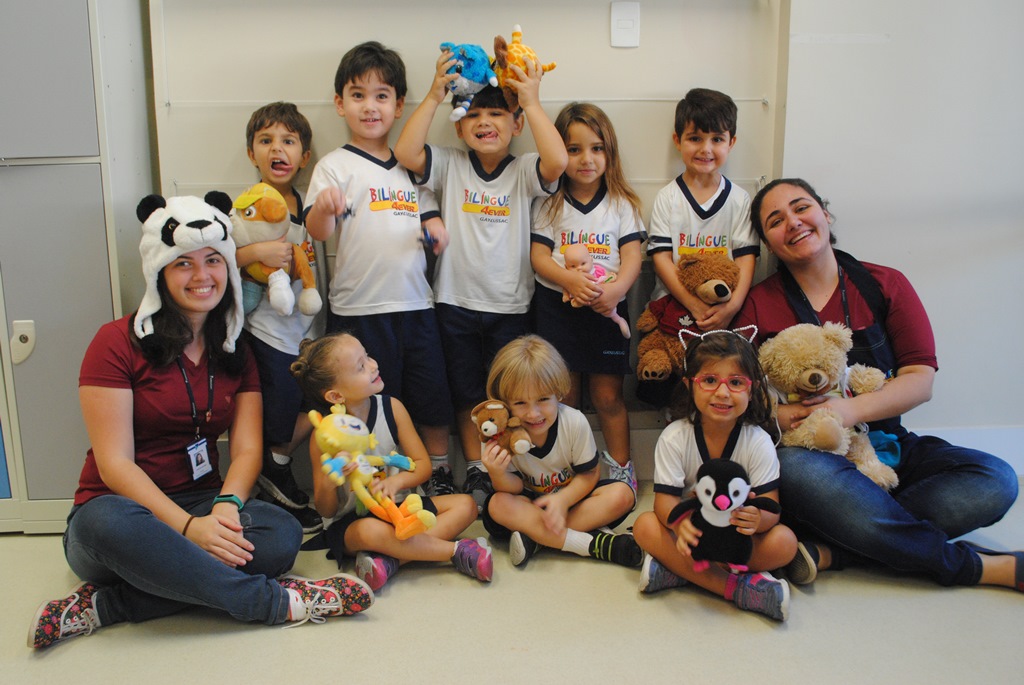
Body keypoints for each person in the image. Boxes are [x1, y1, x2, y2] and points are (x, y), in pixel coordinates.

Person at [29, 194, 372, 650]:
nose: (202, 276)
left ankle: (108, 606)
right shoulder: (114, 342)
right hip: (122, 512)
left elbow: (246, 450)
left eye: (213, 260)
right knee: (104, 524)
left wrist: (226, 505)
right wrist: (189, 529)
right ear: (159, 271)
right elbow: (114, 465)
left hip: (202, 500)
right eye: (183, 264)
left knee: (282, 534)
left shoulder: (234, 347)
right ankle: (273, 601)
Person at [732, 177, 1021, 591]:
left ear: (825, 213)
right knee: (796, 470)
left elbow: (920, 380)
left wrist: (849, 410)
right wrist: (780, 414)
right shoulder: (759, 303)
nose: (793, 222)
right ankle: (971, 567)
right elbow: (739, 394)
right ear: (768, 244)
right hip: (812, 456)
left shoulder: (885, 283)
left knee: (996, 480)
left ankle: (840, 548)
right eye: (775, 221)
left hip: (886, 447)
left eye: (801, 207)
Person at [394, 47, 568, 511]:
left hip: (510, 308)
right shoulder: (451, 163)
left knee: (508, 395)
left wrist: (530, 101)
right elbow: (406, 152)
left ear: (516, 125)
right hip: (454, 303)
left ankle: (505, 467)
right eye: (473, 114)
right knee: (466, 391)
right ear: (458, 125)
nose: (484, 122)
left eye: (497, 114)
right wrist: (435, 93)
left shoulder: (524, 169)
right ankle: (475, 465)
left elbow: (557, 162)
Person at [303, 42, 455, 501]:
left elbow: (430, 216)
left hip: (415, 304)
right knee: (366, 402)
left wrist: (436, 231)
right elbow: (318, 231)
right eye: (358, 95)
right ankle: (368, 477)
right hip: (359, 311)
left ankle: (439, 470)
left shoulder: (412, 165)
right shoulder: (333, 167)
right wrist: (325, 209)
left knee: (430, 396)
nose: (370, 106)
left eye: (381, 96)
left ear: (398, 105)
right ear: (340, 103)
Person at [290, 332, 491, 592]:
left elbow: (422, 465)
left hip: (401, 508)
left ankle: (392, 560)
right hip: (354, 522)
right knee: (369, 532)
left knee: (466, 505)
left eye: (367, 356)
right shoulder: (325, 437)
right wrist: (331, 481)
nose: (373, 365)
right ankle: (454, 551)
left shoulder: (391, 407)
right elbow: (326, 510)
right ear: (335, 396)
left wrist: (397, 482)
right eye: (361, 366)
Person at [632, 331, 797, 621]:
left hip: (735, 538)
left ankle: (681, 572)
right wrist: (681, 524)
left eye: (736, 382)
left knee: (785, 542)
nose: (722, 393)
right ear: (689, 385)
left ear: (752, 389)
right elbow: (664, 503)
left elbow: (772, 507)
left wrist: (758, 520)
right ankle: (738, 588)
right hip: (694, 537)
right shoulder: (674, 437)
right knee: (644, 526)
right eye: (709, 380)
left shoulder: (757, 441)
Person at [530, 102, 645, 495]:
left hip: (607, 309)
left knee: (608, 396)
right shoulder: (548, 202)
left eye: (597, 148)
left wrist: (616, 290)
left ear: (609, 152)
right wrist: (569, 280)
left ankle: (622, 470)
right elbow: (539, 257)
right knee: (565, 397)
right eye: (574, 149)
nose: (586, 159)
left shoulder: (622, 203)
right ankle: (567, 471)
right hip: (557, 310)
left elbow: (633, 257)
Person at [478, 335, 641, 569]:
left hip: (572, 501)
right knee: (497, 504)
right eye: (520, 403)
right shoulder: (497, 433)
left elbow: (590, 474)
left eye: (543, 399)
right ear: (503, 403)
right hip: (527, 506)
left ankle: (537, 539)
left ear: (559, 392)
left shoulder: (574, 422)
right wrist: (497, 473)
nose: (533, 413)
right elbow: (511, 489)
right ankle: (590, 544)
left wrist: (562, 500)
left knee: (623, 494)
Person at [641, 88, 761, 407]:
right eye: (695, 138)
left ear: (731, 142)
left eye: (717, 139)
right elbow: (661, 258)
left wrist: (732, 307)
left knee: (717, 388)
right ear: (677, 140)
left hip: (724, 312)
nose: (706, 149)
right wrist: (692, 304)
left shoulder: (739, 200)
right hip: (674, 308)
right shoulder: (668, 198)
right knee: (675, 393)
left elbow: (746, 259)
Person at [236, 102, 323, 533]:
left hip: (308, 333)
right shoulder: (246, 207)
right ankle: (274, 472)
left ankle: (276, 464)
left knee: (319, 403)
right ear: (251, 153)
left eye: (288, 141)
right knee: (279, 415)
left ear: (303, 157)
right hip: (268, 334)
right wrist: (255, 252)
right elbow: (219, 256)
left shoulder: (308, 208)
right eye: (266, 140)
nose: (277, 149)